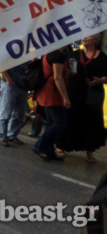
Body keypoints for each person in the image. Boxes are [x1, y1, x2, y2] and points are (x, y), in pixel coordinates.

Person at [58, 34, 107, 163]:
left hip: (93, 94)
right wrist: (68, 73)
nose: (84, 38)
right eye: (83, 36)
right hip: (75, 91)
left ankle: (89, 153)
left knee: (91, 122)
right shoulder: (75, 54)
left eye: (88, 36)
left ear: (96, 41)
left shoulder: (102, 57)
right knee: (70, 118)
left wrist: (100, 80)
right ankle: (60, 147)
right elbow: (64, 71)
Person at [33, 46, 71, 161]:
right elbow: (57, 78)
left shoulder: (49, 53)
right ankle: (40, 145)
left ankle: (49, 152)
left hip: (47, 92)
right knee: (60, 123)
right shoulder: (57, 56)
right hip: (53, 94)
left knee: (51, 123)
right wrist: (65, 97)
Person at [0, 62, 29, 147]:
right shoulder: (9, 51)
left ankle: (12, 134)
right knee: (6, 112)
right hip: (10, 84)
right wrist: (8, 79)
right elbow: (0, 64)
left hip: (23, 85)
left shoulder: (27, 52)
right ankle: (2, 136)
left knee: (20, 113)